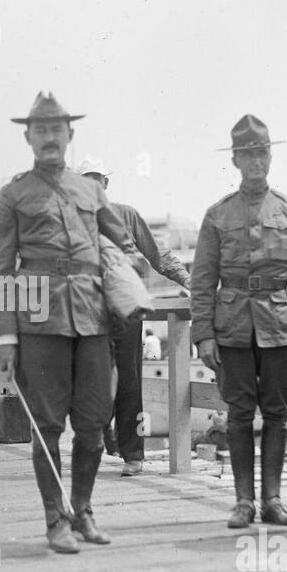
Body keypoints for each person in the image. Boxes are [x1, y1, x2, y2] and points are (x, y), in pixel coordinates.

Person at [0, 92, 144, 554]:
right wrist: (4, 336)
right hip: (39, 324)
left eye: (57, 129)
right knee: (48, 427)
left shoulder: (91, 191)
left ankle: (84, 511)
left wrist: (132, 278)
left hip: (92, 321)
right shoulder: (13, 195)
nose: (50, 137)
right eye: (41, 130)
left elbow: (124, 240)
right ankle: (55, 520)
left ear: (70, 135)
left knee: (93, 424)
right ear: (28, 137)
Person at [189, 115, 287, 529]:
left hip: (282, 328)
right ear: (235, 159)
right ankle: (243, 502)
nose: (256, 161)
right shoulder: (216, 215)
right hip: (232, 328)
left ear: (270, 156)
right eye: (247, 154)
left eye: (262, 152)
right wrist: (203, 335)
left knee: (277, 414)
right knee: (239, 415)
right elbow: (202, 281)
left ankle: (273, 500)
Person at [80, 161, 191, 477]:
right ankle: (100, 436)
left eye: (97, 181)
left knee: (129, 381)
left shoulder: (126, 215)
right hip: (88, 311)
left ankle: (133, 454)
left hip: (126, 310)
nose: (92, 188)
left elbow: (158, 255)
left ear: (106, 184)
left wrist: (189, 281)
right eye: (85, 182)